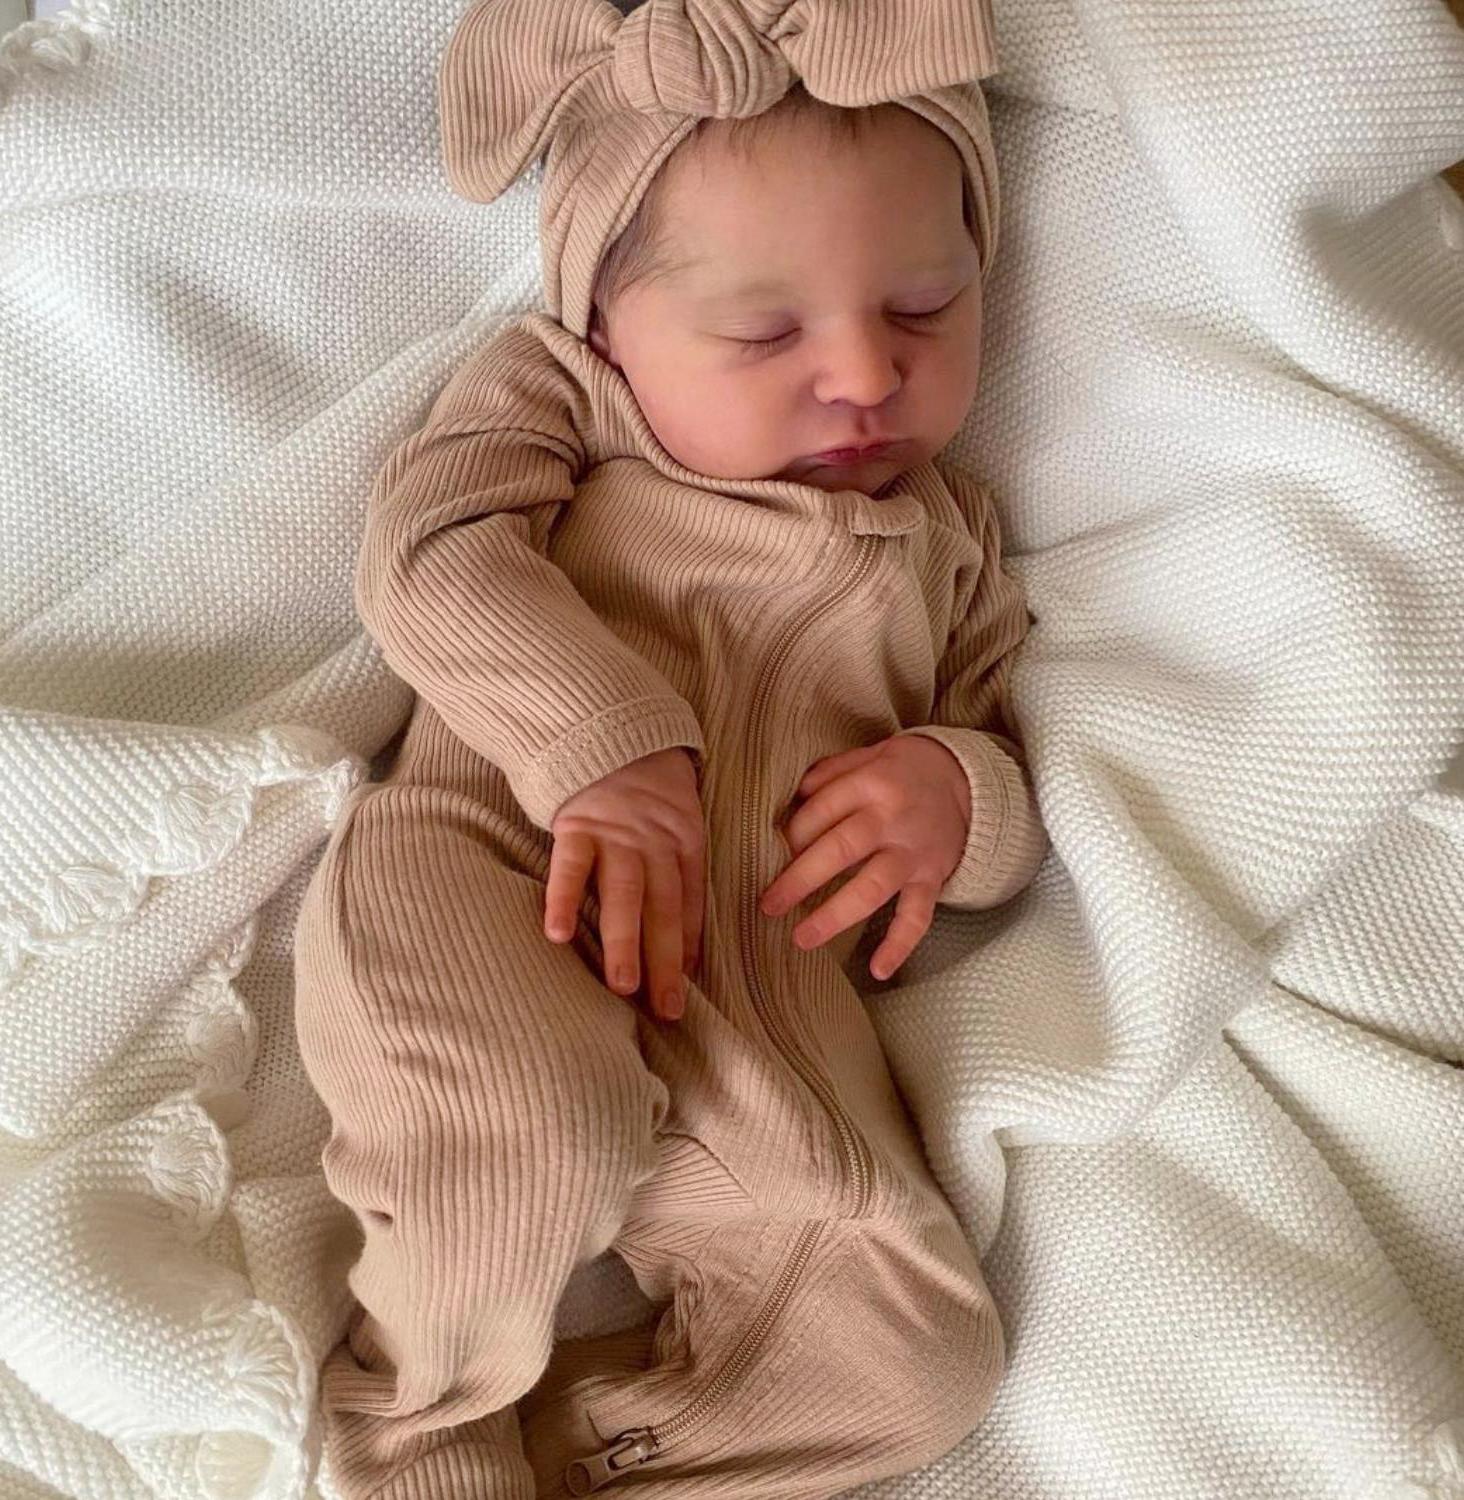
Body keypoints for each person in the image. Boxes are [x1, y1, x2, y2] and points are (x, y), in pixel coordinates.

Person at [292, 1, 1050, 1496]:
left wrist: (961, 804)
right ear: (606, 323)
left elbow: (1003, 749)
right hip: (496, 882)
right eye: (764, 332)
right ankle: (419, 1430)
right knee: (526, 1138)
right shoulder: (569, 407)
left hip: (750, 1016)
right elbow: (427, 555)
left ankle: (590, 1461)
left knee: (919, 1354)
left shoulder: (952, 542)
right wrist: (600, 744)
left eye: (925, 309)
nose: (864, 375)